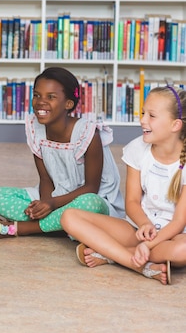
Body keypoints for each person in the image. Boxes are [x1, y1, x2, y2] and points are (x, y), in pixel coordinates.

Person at [62, 85, 186, 285]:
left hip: (172, 236)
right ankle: (135, 263)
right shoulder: (138, 148)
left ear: (175, 125)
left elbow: (179, 222)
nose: (142, 120)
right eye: (143, 113)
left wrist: (150, 244)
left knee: (183, 250)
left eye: (151, 116)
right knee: (69, 217)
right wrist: (144, 225)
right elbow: (132, 201)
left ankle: (111, 255)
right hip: (136, 229)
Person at [0, 67, 125, 240]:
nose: (41, 102)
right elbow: (45, 179)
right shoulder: (35, 129)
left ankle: (24, 228)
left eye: (51, 97)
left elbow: (91, 188)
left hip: (88, 200)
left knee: (90, 204)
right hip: (55, 197)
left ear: (68, 104)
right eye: (37, 95)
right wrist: (43, 205)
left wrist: (52, 204)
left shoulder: (88, 134)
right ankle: (59, 226)